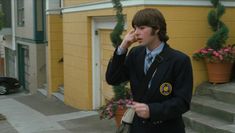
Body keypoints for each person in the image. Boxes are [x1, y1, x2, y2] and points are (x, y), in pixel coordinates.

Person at [106, 8, 193, 133]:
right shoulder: (135, 53)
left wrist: (152, 110)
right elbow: (112, 79)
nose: (136, 33)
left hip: (167, 128)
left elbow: (182, 102)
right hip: (138, 128)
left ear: (157, 29)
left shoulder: (179, 60)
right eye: (135, 28)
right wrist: (123, 47)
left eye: (142, 28)